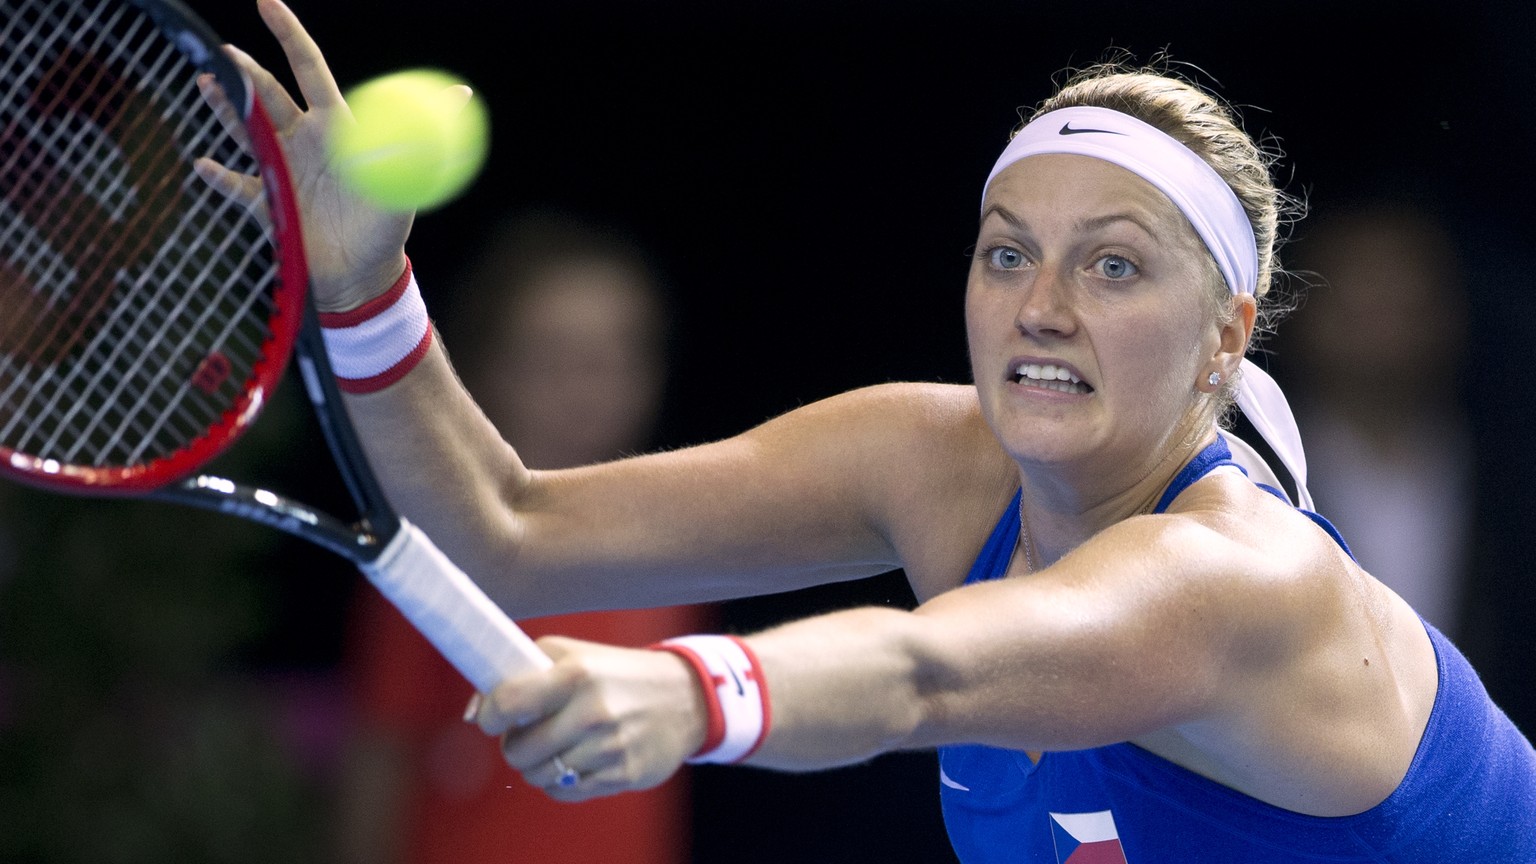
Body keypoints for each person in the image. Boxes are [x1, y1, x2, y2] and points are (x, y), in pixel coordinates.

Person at [207, 1, 1536, 858]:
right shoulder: (935, 463)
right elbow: (510, 528)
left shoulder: (1241, 579)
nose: (1045, 309)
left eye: (1115, 266)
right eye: (1008, 255)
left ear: (1230, 333)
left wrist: (692, 692)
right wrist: (361, 292)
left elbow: (927, 676)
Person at [333, 211, 711, 864]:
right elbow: (379, 761)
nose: (586, 388)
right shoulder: (434, 553)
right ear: (484, 368)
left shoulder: (684, 544)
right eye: (552, 358)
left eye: (614, 357)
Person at [1281, 200, 1474, 638]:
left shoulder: (1510, 474)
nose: (1382, 327)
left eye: (1404, 301)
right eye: (1358, 302)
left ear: (1447, 312)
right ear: (1303, 312)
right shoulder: (1253, 472)